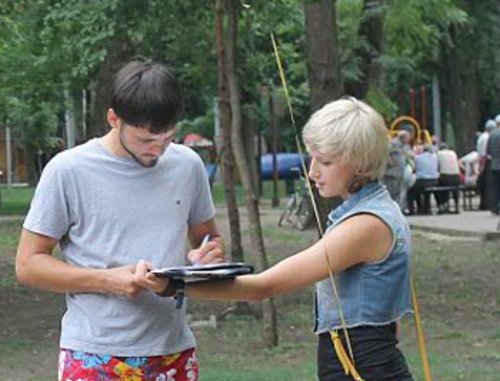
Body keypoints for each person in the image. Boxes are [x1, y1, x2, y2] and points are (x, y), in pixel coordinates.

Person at [137, 97, 415, 381]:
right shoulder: (373, 210)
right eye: (312, 157)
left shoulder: (365, 225)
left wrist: (172, 285)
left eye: (326, 161)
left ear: (359, 164)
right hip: (361, 363)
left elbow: (263, 287)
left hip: (365, 368)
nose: (312, 171)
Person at [16, 60, 224, 381]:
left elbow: (208, 239)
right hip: (94, 353)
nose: (157, 150)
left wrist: (207, 255)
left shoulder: (188, 165)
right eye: (145, 140)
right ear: (114, 118)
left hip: (173, 351)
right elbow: (28, 264)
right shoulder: (68, 170)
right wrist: (106, 280)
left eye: (167, 138)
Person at [407, 145, 439, 215]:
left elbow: (414, 168)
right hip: (434, 181)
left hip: (422, 181)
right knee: (425, 193)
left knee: (410, 191)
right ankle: (426, 209)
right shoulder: (435, 157)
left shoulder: (418, 158)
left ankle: (413, 210)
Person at [436, 143, 460, 213]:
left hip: (445, 176)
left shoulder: (438, 154)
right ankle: (456, 206)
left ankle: (443, 205)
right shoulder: (453, 153)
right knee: (455, 190)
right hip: (456, 176)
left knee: (440, 188)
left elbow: (437, 166)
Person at [477, 119, 496, 210]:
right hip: (487, 161)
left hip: (483, 161)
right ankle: (487, 204)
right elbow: (486, 153)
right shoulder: (487, 137)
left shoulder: (482, 137)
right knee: (488, 184)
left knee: (485, 184)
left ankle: (484, 203)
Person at [486, 114, 500, 215]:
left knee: (494, 188)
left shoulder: (492, 134)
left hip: (493, 164)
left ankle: (494, 208)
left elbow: (488, 150)